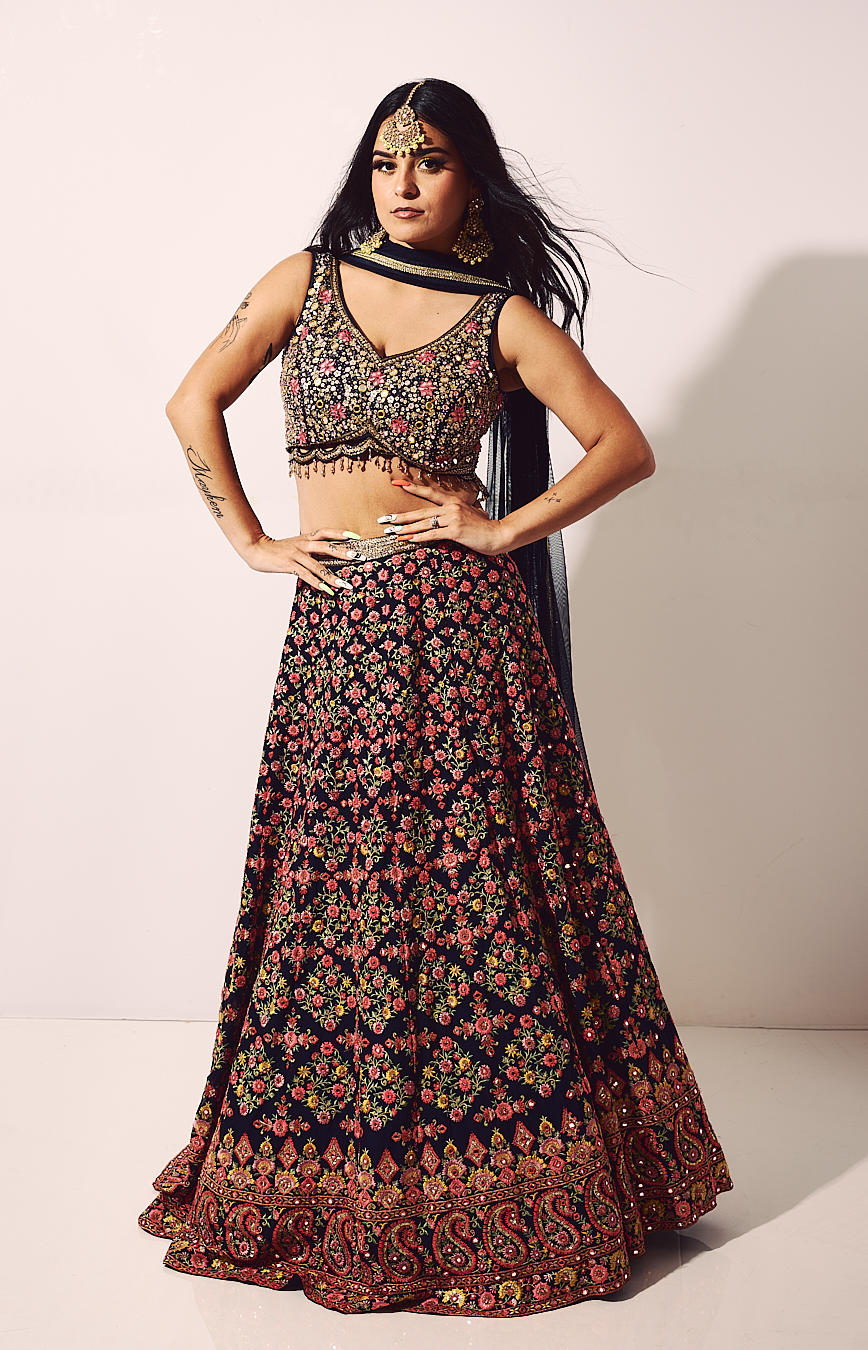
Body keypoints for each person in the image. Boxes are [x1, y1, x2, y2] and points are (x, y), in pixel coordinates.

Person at [140, 79, 731, 1319]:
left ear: (472, 183)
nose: (403, 182)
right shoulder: (303, 283)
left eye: (433, 161)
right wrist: (252, 541)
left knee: (481, 894)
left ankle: (528, 1180)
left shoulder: (500, 316)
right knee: (338, 891)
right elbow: (194, 399)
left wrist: (500, 528)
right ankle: (335, 1172)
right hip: (338, 635)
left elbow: (625, 447)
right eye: (385, 160)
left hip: (464, 637)